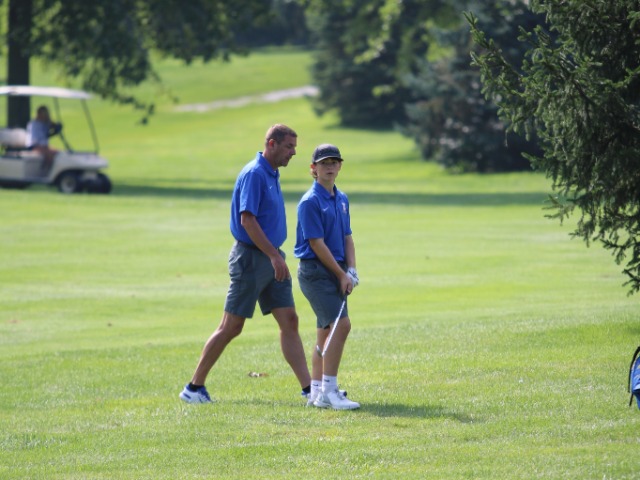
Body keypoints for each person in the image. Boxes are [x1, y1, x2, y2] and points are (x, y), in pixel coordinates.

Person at [180, 124, 311, 404]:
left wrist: (276, 256)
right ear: (272, 144)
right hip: (252, 258)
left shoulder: (271, 173)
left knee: (289, 320)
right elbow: (247, 220)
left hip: (272, 257)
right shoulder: (254, 174)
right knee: (231, 326)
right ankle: (193, 387)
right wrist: (273, 256)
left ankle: (309, 390)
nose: (293, 153)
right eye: (289, 147)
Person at [294, 143, 361, 410]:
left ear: (340, 166)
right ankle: (329, 391)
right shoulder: (310, 201)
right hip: (316, 272)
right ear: (314, 168)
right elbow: (316, 244)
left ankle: (317, 391)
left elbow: (347, 237)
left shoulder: (341, 199)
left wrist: (351, 269)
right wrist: (341, 274)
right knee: (341, 326)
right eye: (324, 163)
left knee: (325, 331)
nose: (329, 167)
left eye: (334, 162)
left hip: (336, 270)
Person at [26, 106, 62, 172]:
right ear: (39, 114)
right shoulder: (34, 124)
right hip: (34, 146)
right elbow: (40, 138)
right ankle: (44, 171)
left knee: (58, 152)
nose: (46, 116)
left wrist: (57, 126)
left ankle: (49, 170)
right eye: (44, 114)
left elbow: (52, 126)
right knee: (50, 154)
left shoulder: (45, 123)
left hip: (43, 146)